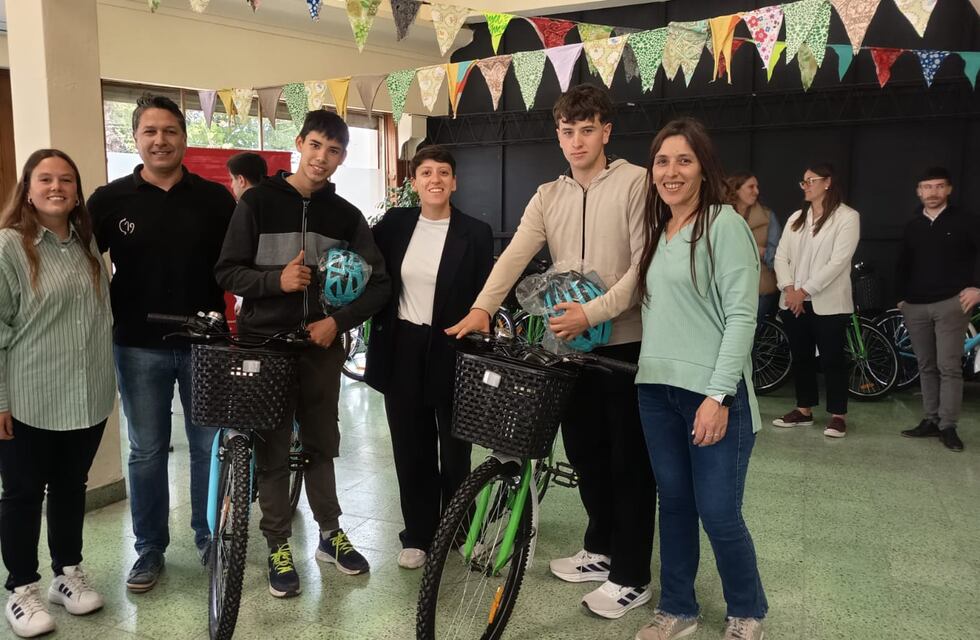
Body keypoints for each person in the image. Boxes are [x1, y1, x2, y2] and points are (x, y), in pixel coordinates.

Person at [447, 83, 656, 620]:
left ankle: (632, 575)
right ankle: (601, 547)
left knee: (628, 461)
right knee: (585, 453)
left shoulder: (635, 183)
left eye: (589, 130)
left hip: (625, 343)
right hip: (566, 346)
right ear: (558, 136)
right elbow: (516, 254)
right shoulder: (549, 194)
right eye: (569, 131)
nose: (579, 140)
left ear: (606, 132)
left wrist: (596, 311)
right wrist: (481, 307)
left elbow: (643, 266)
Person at [215, 109, 390, 598]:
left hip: (319, 347)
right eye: (315, 145)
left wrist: (337, 322)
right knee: (272, 448)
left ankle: (330, 535)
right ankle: (277, 544)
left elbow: (379, 285)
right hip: (265, 344)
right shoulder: (256, 203)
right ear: (299, 143)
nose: (322, 158)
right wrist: (277, 281)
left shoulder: (346, 216)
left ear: (342, 158)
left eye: (333, 151)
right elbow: (227, 272)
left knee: (320, 442)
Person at [88, 94, 236, 592]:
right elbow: (80, 263)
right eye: (150, 131)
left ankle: (208, 535)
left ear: (184, 137)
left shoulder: (215, 199)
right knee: (146, 449)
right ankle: (149, 548)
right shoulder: (109, 201)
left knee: (206, 446)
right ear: (135, 139)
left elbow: (236, 265)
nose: (160, 140)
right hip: (137, 344)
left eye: (169, 130)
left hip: (205, 345)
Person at [633, 117, 767, 640]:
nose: (671, 171)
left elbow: (741, 316)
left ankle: (747, 610)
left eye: (683, 160)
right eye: (662, 161)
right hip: (655, 391)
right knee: (676, 505)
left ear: (704, 169)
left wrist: (719, 394)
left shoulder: (724, 224)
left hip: (713, 396)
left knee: (718, 512)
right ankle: (678, 609)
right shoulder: (658, 231)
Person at [1, 150, 114, 637]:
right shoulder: (9, 246)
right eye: (45, 179)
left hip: (86, 396)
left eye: (66, 179)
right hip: (28, 397)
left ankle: (67, 573)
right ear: (27, 189)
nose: (56, 187)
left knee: (71, 488)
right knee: (23, 494)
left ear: (76, 191)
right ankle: (21, 587)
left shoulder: (85, 244)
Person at [365, 145, 493, 569]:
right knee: (410, 446)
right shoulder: (394, 224)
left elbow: (485, 292)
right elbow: (370, 271)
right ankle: (418, 534)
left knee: (456, 449)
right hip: (402, 345)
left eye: (442, 172)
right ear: (414, 182)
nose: (434, 179)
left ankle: (460, 528)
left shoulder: (475, 232)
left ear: (454, 182)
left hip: (454, 348)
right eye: (425, 172)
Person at [772, 163, 860, 438]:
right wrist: (789, 289)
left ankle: (837, 415)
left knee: (833, 359)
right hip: (793, 302)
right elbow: (780, 256)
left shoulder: (847, 217)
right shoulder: (796, 218)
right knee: (801, 358)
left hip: (829, 303)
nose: (806, 185)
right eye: (804, 181)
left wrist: (804, 291)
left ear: (828, 182)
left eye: (811, 180)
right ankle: (804, 410)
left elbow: (838, 262)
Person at [896, 167, 979, 452]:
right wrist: (901, 299)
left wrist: (976, 287)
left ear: (949, 190)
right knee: (926, 366)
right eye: (926, 187)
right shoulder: (912, 226)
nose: (933, 192)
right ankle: (931, 420)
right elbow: (902, 264)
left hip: (951, 303)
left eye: (938, 186)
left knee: (949, 367)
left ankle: (948, 426)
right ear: (919, 191)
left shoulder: (966, 221)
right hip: (916, 305)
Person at [727, 173, 781, 324]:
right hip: (727, 285)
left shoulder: (768, 217)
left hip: (760, 287)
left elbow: (777, 255)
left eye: (757, 187)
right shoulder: (721, 216)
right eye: (751, 187)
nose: (756, 191)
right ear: (736, 189)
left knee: (748, 332)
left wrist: (761, 251)